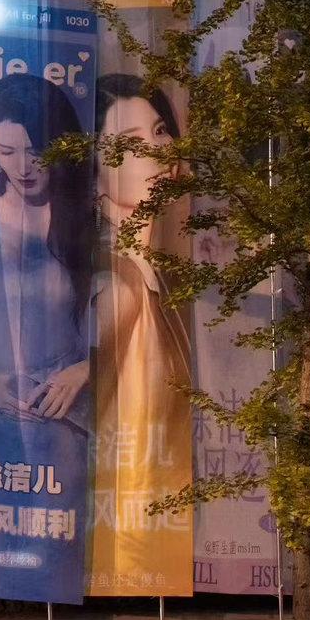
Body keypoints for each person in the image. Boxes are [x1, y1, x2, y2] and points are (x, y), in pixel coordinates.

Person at [0, 72, 94, 601]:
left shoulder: (85, 218)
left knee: (58, 540)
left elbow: (119, 313)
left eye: (37, 151)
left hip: (64, 410)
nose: (24, 166)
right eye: (7, 152)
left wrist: (86, 368)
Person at [88, 74, 191, 593]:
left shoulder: (154, 273)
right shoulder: (115, 282)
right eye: (130, 144)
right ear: (96, 177)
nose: (156, 151)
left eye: (159, 131)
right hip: (123, 540)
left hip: (155, 526)